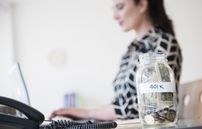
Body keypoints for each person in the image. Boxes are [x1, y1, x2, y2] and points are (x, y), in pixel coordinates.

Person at [49, 0, 182, 120]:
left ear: (142, 5)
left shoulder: (165, 44)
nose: (114, 16)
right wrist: (86, 114)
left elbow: (154, 105)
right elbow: (120, 102)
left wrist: (90, 113)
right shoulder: (130, 51)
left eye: (120, 7)